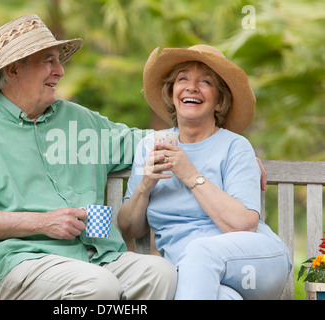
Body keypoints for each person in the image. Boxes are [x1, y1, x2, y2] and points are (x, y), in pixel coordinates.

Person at [0, 14, 177, 300]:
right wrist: (44, 222)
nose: (60, 71)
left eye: (59, 61)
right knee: (99, 286)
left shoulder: (80, 120)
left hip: (101, 256)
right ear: (15, 70)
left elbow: (150, 142)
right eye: (48, 61)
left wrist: (223, 145)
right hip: (26, 263)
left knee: (162, 273)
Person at [118, 45, 291, 300]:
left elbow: (243, 225)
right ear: (172, 92)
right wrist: (145, 186)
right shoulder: (150, 146)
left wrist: (189, 173)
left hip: (253, 263)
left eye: (205, 82)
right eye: (183, 79)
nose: (191, 87)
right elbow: (129, 227)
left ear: (219, 101)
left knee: (199, 252)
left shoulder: (235, 146)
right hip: (195, 277)